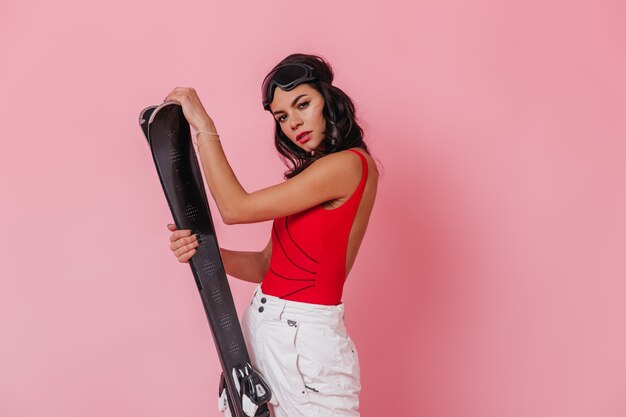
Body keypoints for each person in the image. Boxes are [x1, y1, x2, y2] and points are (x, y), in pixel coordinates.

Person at [163, 53, 379, 417]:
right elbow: (267, 264)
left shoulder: (349, 165)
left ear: (329, 100)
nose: (294, 122)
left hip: (303, 342)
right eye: (282, 116)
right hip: (263, 326)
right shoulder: (313, 176)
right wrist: (202, 251)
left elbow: (235, 209)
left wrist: (203, 125)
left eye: (303, 104)